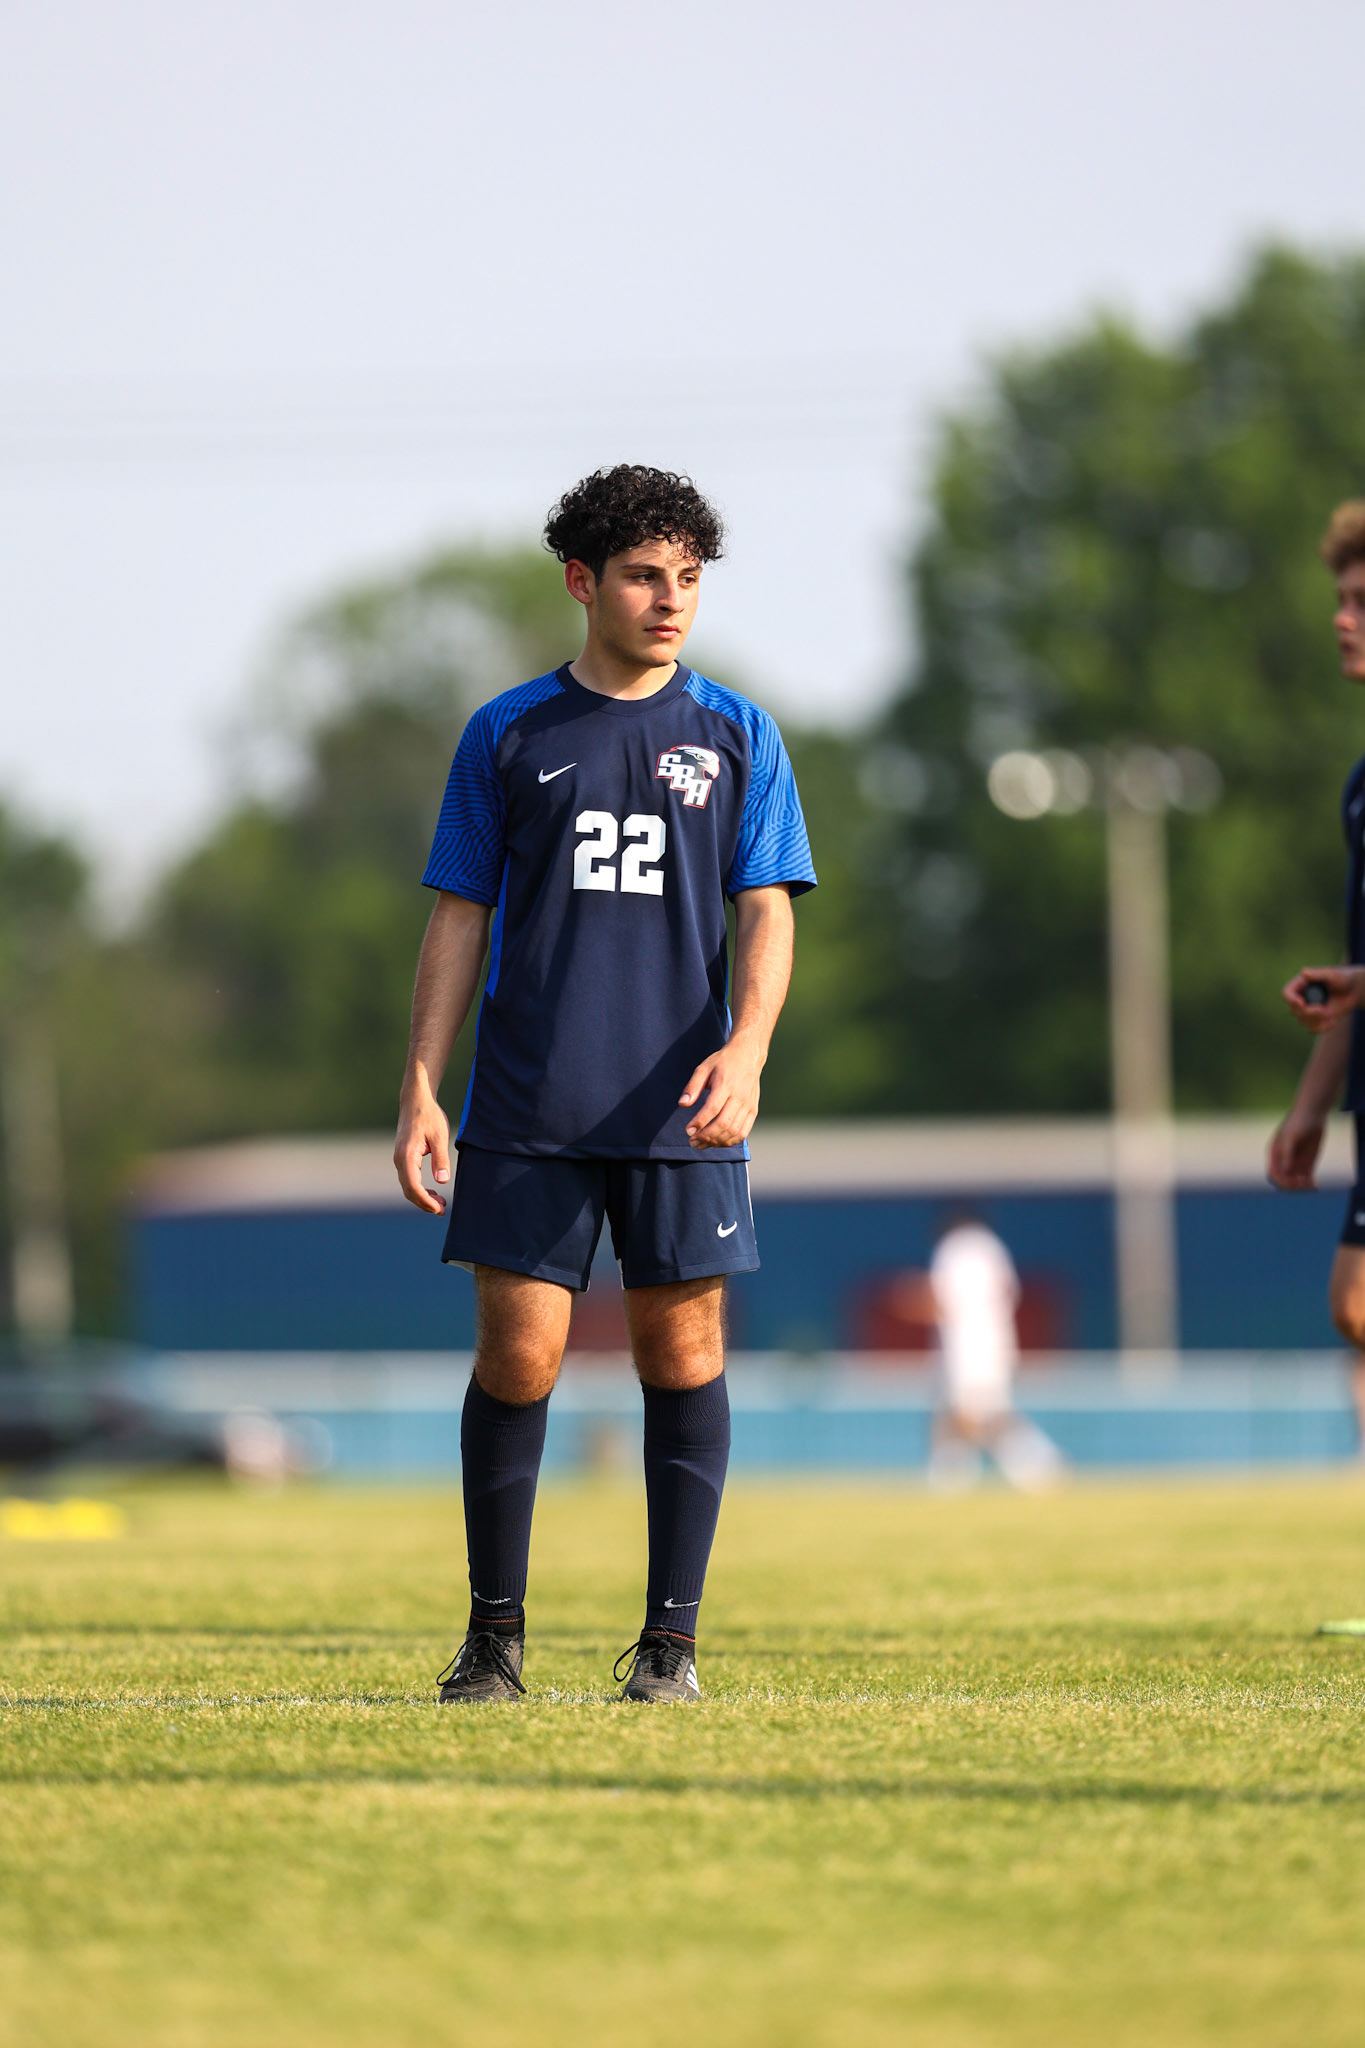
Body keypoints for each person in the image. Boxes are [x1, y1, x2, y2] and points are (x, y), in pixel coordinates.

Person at [393, 465, 816, 1703]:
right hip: (528, 1104)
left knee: (679, 1353)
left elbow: (768, 911)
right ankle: (493, 1639)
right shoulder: (507, 733)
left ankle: (671, 1648)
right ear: (582, 581)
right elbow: (458, 918)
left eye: (688, 577)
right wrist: (423, 1084)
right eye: (644, 574)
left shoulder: (741, 733)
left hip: (681, 1106)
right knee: (519, 1358)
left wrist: (746, 1049)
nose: (670, 598)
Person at [1271, 500, 1365, 1463]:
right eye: (1341, 598)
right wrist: (1309, 1109)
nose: (1342, 616)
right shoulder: (1358, 783)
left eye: (1362, 601)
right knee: (1352, 1306)